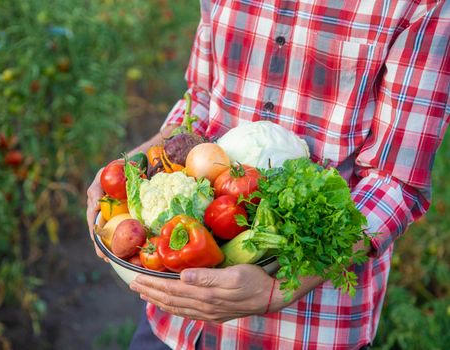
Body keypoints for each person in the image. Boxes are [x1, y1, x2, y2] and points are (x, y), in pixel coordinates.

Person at [87, 1, 449, 349]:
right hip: (177, 322)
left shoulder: (418, 5)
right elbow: (199, 101)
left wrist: (282, 290)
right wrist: (127, 169)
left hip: (308, 328)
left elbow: (395, 181)